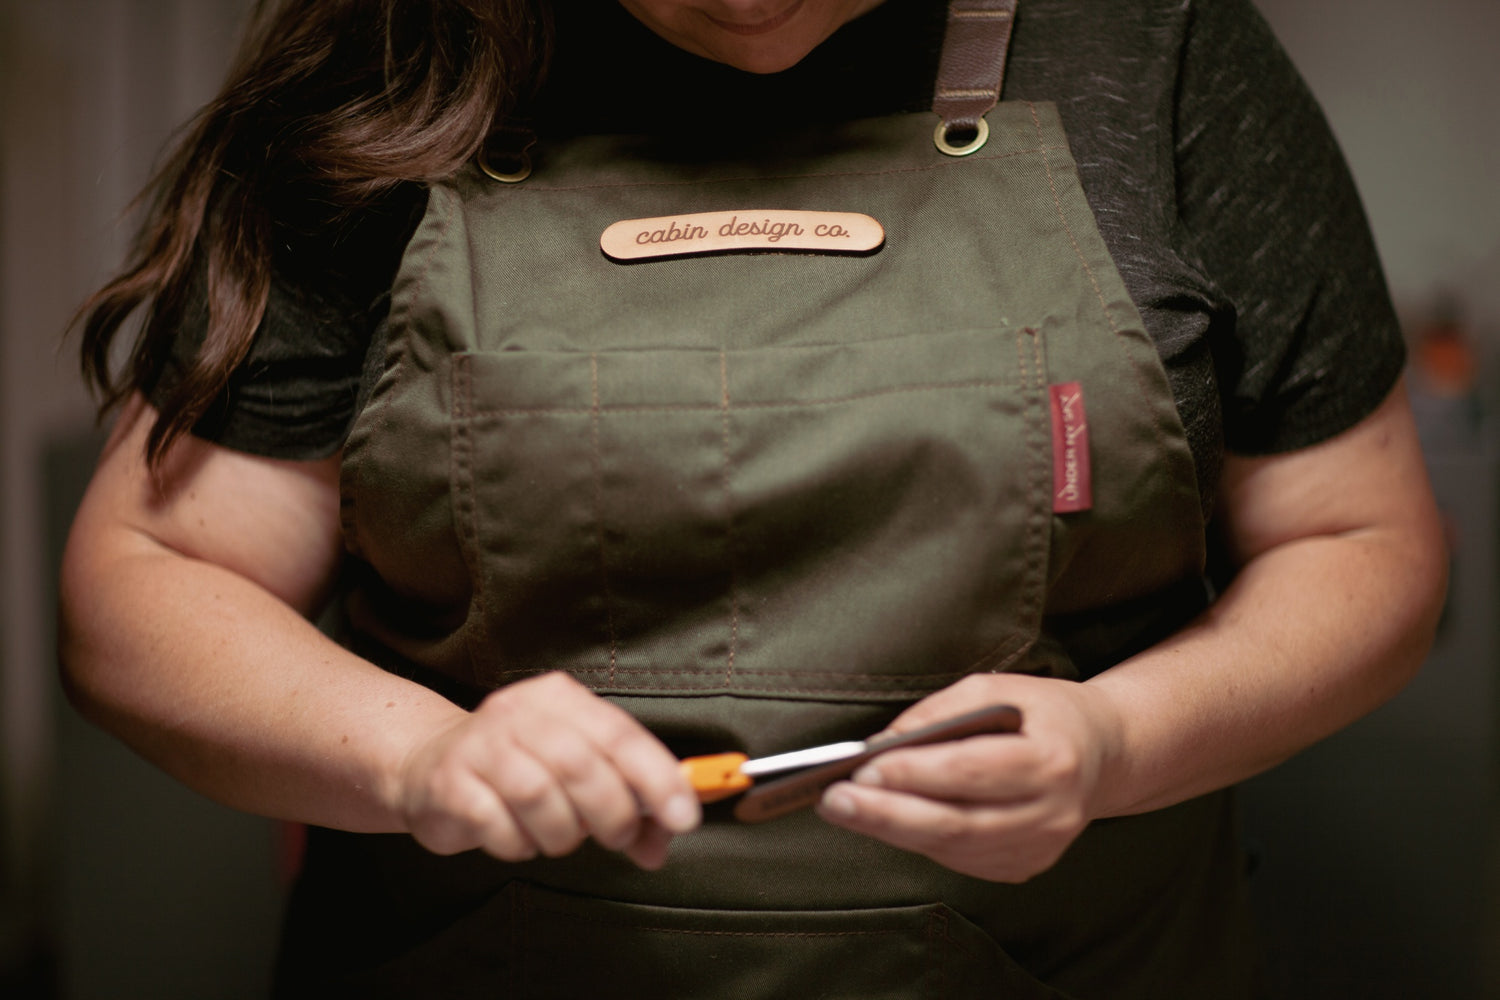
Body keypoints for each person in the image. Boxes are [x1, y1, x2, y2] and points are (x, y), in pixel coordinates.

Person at [59, 0, 1447, 996]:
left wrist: (1118, 743)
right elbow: (148, 585)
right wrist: (416, 759)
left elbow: (1364, 544)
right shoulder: (397, 48)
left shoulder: (1158, 49)